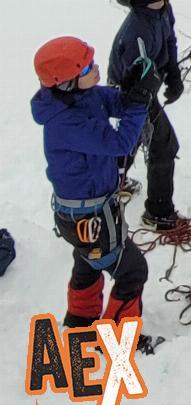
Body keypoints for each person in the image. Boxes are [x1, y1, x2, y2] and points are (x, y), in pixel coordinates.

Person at [30, 35, 159, 331]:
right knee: (132, 271)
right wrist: (140, 103)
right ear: (66, 83)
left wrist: (131, 89)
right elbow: (121, 143)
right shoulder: (65, 123)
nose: (96, 69)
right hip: (89, 217)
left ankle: (80, 322)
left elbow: (114, 102)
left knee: (88, 264)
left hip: (82, 214)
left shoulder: (81, 96)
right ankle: (115, 340)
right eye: (87, 68)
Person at [107, 0, 184, 231]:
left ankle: (110, 183)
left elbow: (170, 39)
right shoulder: (136, 34)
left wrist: (173, 75)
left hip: (148, 83)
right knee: (163, 144)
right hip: (131, 92)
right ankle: (158, 213)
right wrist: (146, 97)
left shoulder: (163, 7)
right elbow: (138, 77)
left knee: (133, 138)